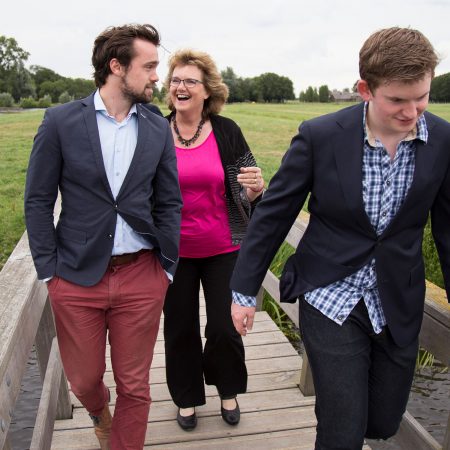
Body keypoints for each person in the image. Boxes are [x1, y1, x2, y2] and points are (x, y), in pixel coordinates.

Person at [230, 27, 450, 449]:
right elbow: (275, 215)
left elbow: (448, 230)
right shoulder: (321, 136)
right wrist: (243, 290)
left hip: (396, 300)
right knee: (341, 426)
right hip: (330, 296)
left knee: (383, 421)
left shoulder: (441, 141)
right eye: (397, 100)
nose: (411, 112)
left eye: (421, 97)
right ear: (365, 89)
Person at [24, 24, 182, 450]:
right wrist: (48, 273)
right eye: (149, 66)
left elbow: (169, 202)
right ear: (116, 66)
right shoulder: (60, 122)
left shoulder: (155, 127)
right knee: (84, 379)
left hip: (141, 276)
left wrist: (166, 268)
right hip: (75, 277)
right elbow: (37, 201)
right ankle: (98, 411)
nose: (156, 76)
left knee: (135, 385)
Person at [162, 49, 265, 431]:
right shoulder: (157, 131)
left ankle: (227, 389)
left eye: (190, 81)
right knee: (180, 326)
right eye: (175, 80)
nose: (180, 86)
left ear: (207, 91)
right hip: (175, 253)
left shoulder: (226, 131)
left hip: (224, 248)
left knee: (224, 326)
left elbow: (249, 188)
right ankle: (186, 398)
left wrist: (254, 191)